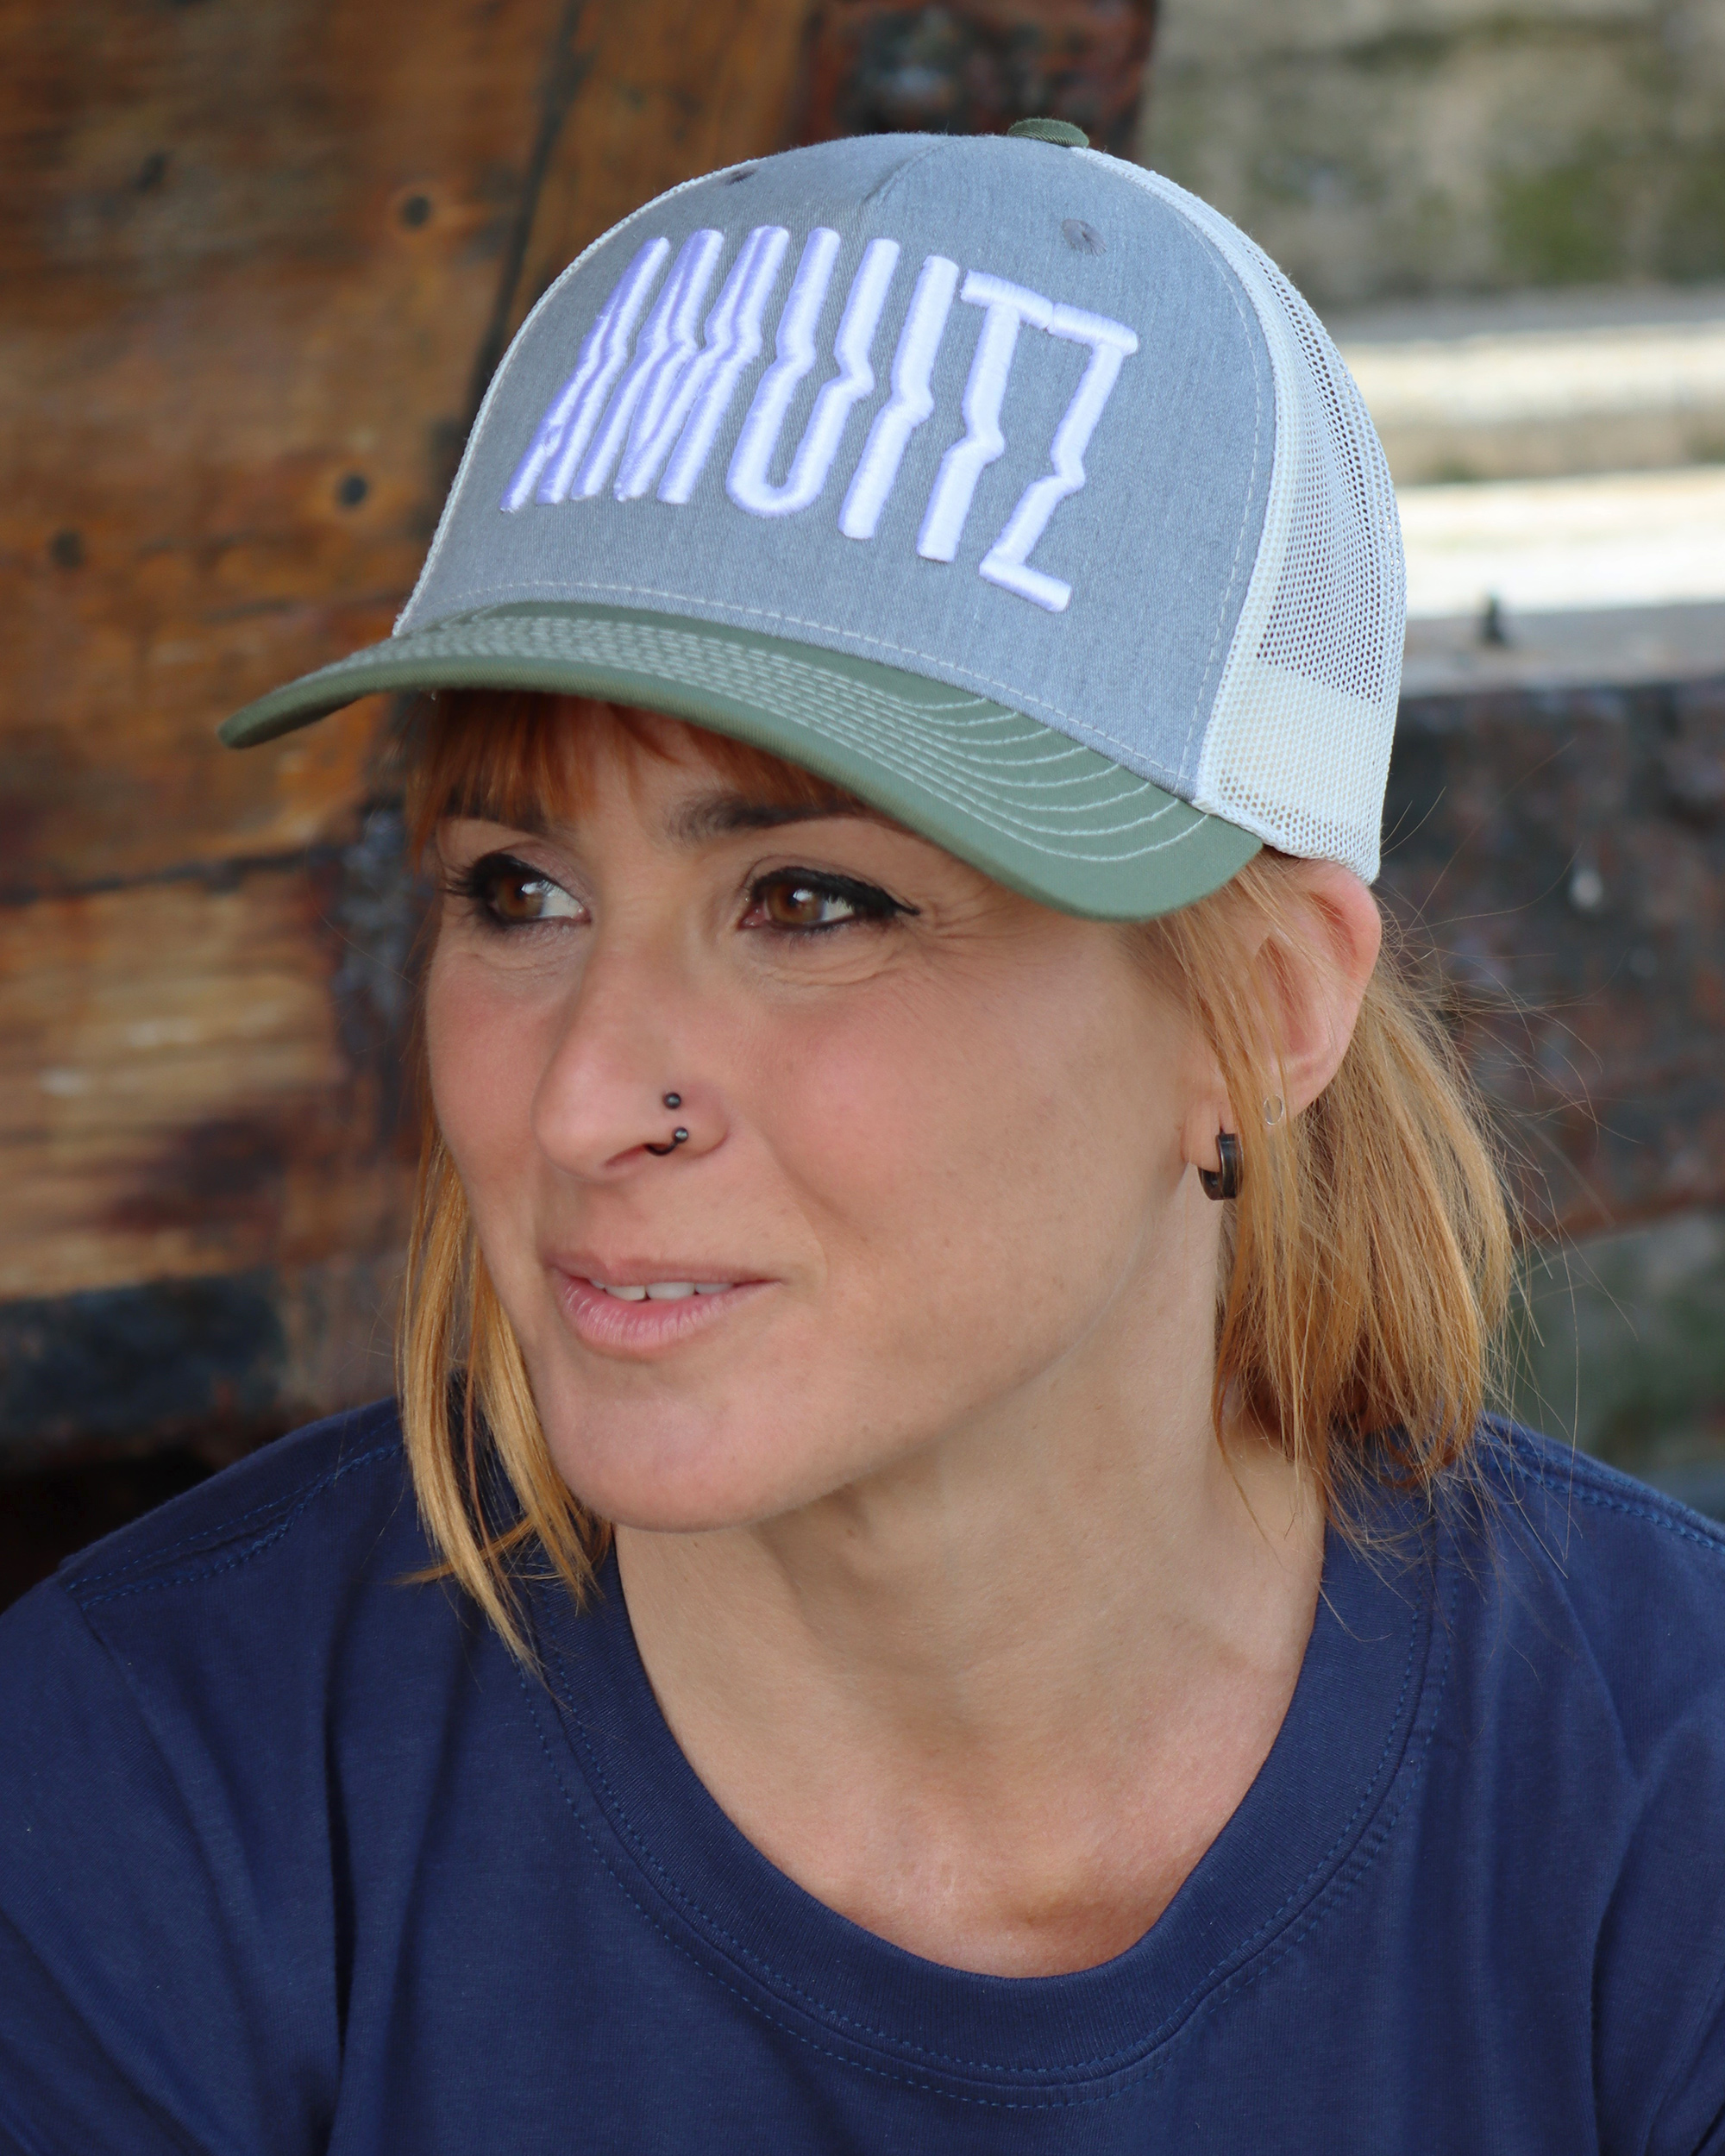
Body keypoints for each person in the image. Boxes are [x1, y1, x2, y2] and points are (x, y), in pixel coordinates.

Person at [3, 122, 1723, 2156]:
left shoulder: (1660, 1807)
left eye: (810, 902)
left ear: (1260, 1010)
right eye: (516, 891)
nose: (580, 1100)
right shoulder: (143, 1797)